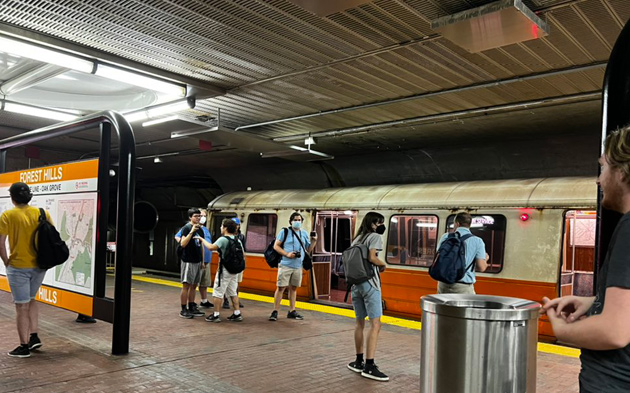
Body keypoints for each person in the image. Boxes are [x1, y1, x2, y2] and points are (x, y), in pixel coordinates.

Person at [541, 127, 630, 392]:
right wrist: (593, 302)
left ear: (622, 172)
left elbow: (614, 332)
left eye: (603, 168)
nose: (598, 180)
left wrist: (561, 330)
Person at [0, 182, 51, 358]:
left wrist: (7, 261)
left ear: (12, 197)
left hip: (18, 266)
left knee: (21, 306)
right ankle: (34, 336)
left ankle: (23, 347)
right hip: (39, 265)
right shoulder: (41, 213)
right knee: (31, 299)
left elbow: (0, 243)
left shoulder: (8, 215)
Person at [346, 212, 389, 382]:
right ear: (373, 224)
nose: (381, 226)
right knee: (376, 324)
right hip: (371, 284)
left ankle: (358, 361)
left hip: (356, 285)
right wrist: (383, 264)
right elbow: (372, 258)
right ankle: (369, 366)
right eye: (379, 223)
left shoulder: (357, 238)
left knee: (359, 324)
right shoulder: (374, 237)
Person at [269, 212, 316, 321]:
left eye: (299, 220)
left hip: (298, 266)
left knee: (293, 288)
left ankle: (292, 311)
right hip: (285, 265)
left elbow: (308, 249)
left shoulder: (303, 233)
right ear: (291, 221)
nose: (297, 222)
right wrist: (287, 254)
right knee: (281, 288)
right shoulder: (285, 232)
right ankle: (275, 311)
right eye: (295, 220)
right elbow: (276, 246)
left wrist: (314, 241)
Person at [197, 218, 245, 323]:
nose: (220, 228)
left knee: (217, 292)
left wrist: (202, 239)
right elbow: (243, 255)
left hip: (225, 270)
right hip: (235, 271)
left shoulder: (223, 239)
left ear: (225, 228)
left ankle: (216, 314)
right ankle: (237, 313)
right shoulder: (238, 240)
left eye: (222, 226)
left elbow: (210, 247)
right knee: (233, 292)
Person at [434, 212, 488, 294]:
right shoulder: (478, 241)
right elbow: (481, 267)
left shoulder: (446, 237)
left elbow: (438, 256)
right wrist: (486, 258)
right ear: (469, 225)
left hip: (443, 284)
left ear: (457, 223)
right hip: (463, 287)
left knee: (443, 307)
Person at [176, 208, 213, 309]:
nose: (198, 218)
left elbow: (201, 246)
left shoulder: (200, 230)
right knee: (186, 285)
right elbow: (183, 244)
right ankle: (183, 308)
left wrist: (202, 260)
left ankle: (191, 305)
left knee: (194, 285)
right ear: (190, 217)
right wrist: (191, 232)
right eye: (196, 216)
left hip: (197, 260)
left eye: (199, 216)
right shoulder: (186, 228)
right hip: (188, 260)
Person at [223, 217, 245, 309]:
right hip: (229, 263)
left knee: (237, 283)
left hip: (238, 262)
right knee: (225, 283)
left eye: (238, 225)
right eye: (235, 225)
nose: (236, 227)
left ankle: (236, 299)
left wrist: (243, 262)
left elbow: (243, 250)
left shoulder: (241, 237)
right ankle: (226, 300)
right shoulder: (225, 237)